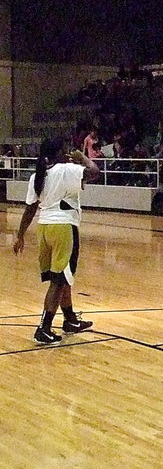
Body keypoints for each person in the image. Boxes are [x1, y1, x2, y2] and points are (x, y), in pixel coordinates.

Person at [12, 138, 99, 344]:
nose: (68, 153)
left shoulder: (37, 176)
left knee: (63, 275)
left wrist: (21, 235)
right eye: (65, 149)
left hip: (44, 228)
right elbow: (95, 172)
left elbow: (30, 208)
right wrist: (83, 158)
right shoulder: (66, 169)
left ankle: (69, 319)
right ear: (58, 153)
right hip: (63, 228)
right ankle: (44, 328)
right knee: (58, 281)